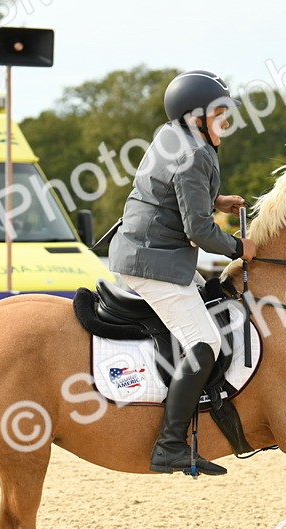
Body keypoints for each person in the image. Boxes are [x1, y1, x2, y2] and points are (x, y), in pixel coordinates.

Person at [108, 70, 256, 476]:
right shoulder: (194, 154)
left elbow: (174, 193)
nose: (225, 121)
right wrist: (242, 248)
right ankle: (170, 445)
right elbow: (198, 231)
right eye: (219, 113)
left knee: (211, 300)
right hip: (155, 261)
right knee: (205, 342)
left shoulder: (173, 136)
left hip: (151, 250)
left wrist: (216, 199)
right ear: (195, 118)